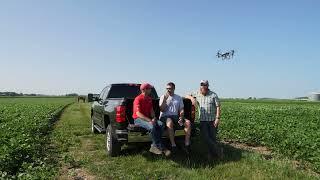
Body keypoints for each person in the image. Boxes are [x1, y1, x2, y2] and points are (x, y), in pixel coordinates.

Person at [185, 80, 223, 160]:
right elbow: (186, 95)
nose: (203, 86)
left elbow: (218, 107)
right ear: (200, 86)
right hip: (203, 121)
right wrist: (191, 98)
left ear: (207, 86)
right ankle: (218, 151)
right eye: (202, 85)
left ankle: (211, 154)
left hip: (212, 120)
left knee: (212, 138)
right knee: (206, 138)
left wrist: (217, 118)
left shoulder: (213, 95)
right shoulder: (197, 93)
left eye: (205, 85)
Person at [132, 83, 171, 156]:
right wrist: (150, 121)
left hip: (148, 118)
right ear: (144, 90)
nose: (151, 90)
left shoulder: (149, 99)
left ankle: (154, 145)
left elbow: (151, 110)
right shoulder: (138, 99)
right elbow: (138, 114)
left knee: (161, 124)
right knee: (152, 126)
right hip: (138, 119)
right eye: (149, 88)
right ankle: (161, 147)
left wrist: (154, 118)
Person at [159, 82, 192, 154]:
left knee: (188, 122)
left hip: (175, 116)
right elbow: (162, 109)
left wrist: (181, 116)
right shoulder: (163, 97)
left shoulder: (178, 97)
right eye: (167, 89)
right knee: (169, 121)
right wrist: (165, 100)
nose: (168, 90)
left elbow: (181, 109)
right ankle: (173, 145)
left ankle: (187, 144)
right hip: (165, 116)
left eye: (170, 89)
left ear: (174, 89)